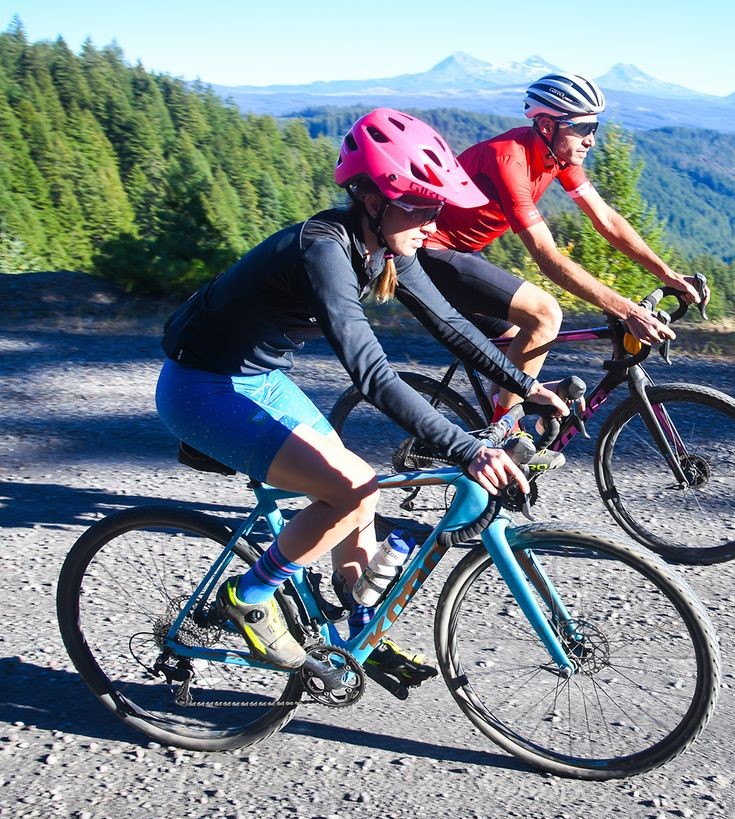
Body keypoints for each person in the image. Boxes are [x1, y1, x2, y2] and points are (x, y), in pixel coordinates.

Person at [155, 108, 568, 674]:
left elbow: (449, 325)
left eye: (438, 208)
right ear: (375, 200)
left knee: (364, 492)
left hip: (261, 381)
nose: (434, 222)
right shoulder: (323, 249)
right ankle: (247, 598)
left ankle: (358, 630)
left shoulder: (390, 247)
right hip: (203, 389)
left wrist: (525, 385)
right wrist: (467, 449)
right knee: (352, 487)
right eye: (423, 207)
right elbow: (372, 376)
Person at [419, 72, 706, 424]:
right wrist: (628, 310)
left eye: (595, 128)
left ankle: (517, 409)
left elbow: (607, 220)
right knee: (545, 315)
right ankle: (503, 439)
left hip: (464, 253)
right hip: (432, 252)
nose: (591, 141)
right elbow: (549, 258)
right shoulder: (509, 160)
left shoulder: (558, 158)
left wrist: (667, 274)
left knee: (517, 351)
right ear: (545, 125)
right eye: (583, 129)